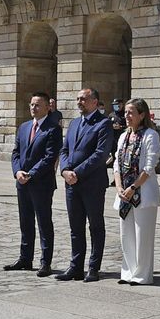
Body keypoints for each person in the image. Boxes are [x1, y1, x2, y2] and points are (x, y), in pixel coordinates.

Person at [58, 88, 116, 281]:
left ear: (94, 102)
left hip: (92, 183)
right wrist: (65, 170)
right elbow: (64, 149)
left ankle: (93, 267)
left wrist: (77, 172)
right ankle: (75, 266)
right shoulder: (74, 123)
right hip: (71, 183)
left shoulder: (103, 124)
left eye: (83, 99)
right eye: (78, 99)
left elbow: (100, 154)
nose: (79, 102)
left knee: (95, 226)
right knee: (75, 227)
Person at [3, 92, 62, 276]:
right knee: (25, 222)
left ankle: (46, 262)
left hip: (41, 183)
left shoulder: (53, 129)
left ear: (47, 107)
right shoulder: (24, 127)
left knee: (44, 223)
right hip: (22, 182)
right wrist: (17, 171)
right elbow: (16, 153)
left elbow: (49, 157)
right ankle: (25, 258)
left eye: (37, 105)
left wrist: (31, 174)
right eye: (31, 104)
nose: (33, 108)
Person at [112, 99, 160, 286]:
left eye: (131, 112)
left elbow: (150, 167)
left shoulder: (150, 135)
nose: (127, 116)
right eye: (125, 112)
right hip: (123, 193)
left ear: (142, 115)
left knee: (143, 236)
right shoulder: (123, 136)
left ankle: (142, 274)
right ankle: (128, 271)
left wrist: (133, 187)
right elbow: (117, 163)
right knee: (126, 235)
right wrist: (119, 188)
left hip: (143, 193)